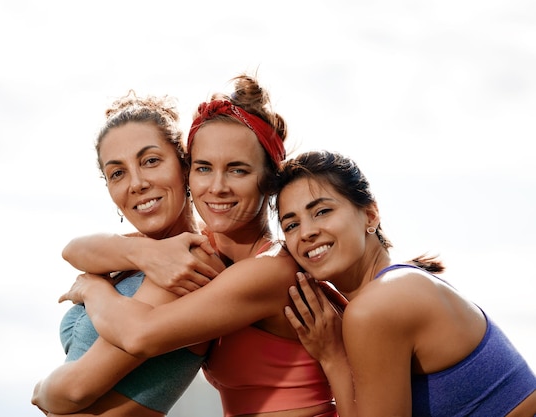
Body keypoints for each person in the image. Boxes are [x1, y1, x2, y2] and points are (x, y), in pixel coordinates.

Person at [59, 74, 338, 417]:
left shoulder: (272, 269)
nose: (217, 187)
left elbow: (138, 336)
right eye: (204, 168)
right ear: (190, 174)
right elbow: (77, 250)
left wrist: (91, 289)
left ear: (269, 180)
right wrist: (143, 252)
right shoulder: (199, 247)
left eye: (237, 170)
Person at [276, 150, 536, 417]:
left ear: (370, 214)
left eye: (322, 211)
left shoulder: (378, 305)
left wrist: (332, 357)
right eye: (291, 225)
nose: (306, 232)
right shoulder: (401, 283)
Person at [31, 91, 226, 417]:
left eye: (150, 161)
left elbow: (74, 391)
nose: (136, 183)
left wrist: (40, 390)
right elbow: (74, 250)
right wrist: (143, 253)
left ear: (184, 166)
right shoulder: (145, 255)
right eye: (117, 173)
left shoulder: (189, 261)